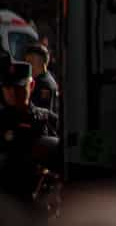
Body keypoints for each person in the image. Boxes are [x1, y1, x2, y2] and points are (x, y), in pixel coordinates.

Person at [0, 62, 58, 204]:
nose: (12, 92)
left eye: (19, 87)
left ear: (31, 86)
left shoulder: (46, 119)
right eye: (7, 87)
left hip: (36, 205)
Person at [22, 45, 57, 116]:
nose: (28, 65)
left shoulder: (44, 84)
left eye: (30, 62)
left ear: (42, 62)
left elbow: (42, 111)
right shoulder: (43, 79)